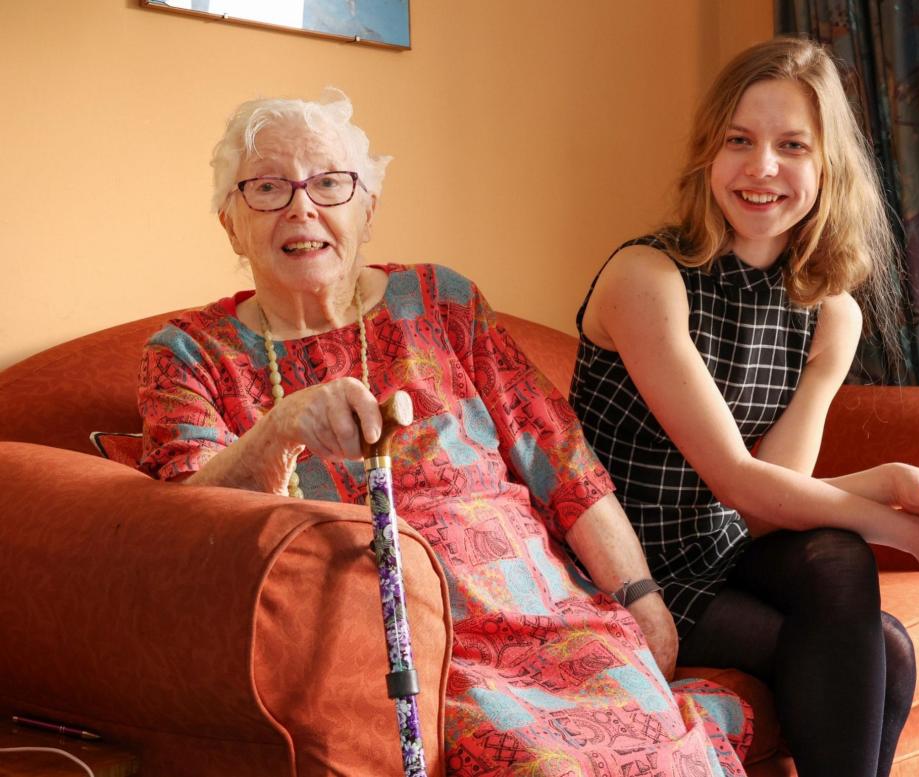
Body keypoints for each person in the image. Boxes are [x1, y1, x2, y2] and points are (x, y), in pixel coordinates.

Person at [137, 90, 752, 775]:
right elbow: (188, 530)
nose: (302, 207)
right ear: (230, 222)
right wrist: (280, 430)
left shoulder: (441, 302)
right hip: (408, 648)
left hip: (551, 618)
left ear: (366, 210)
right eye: (268, 187)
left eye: (330, 183)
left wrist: (641, 600)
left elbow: (561, 459)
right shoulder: (190, 354)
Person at [570, 37, 919, 776]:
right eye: (739, 141)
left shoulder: (831, 313)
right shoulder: (646, 278)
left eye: (792, 145)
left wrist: (891, 478)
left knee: (852, 588)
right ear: (708, 153)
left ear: (825, 166)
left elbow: (769, 509)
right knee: (884, 646)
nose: (762, 167)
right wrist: (906, 529)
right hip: (621, 573)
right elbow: (736, 480)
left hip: (721, 555)